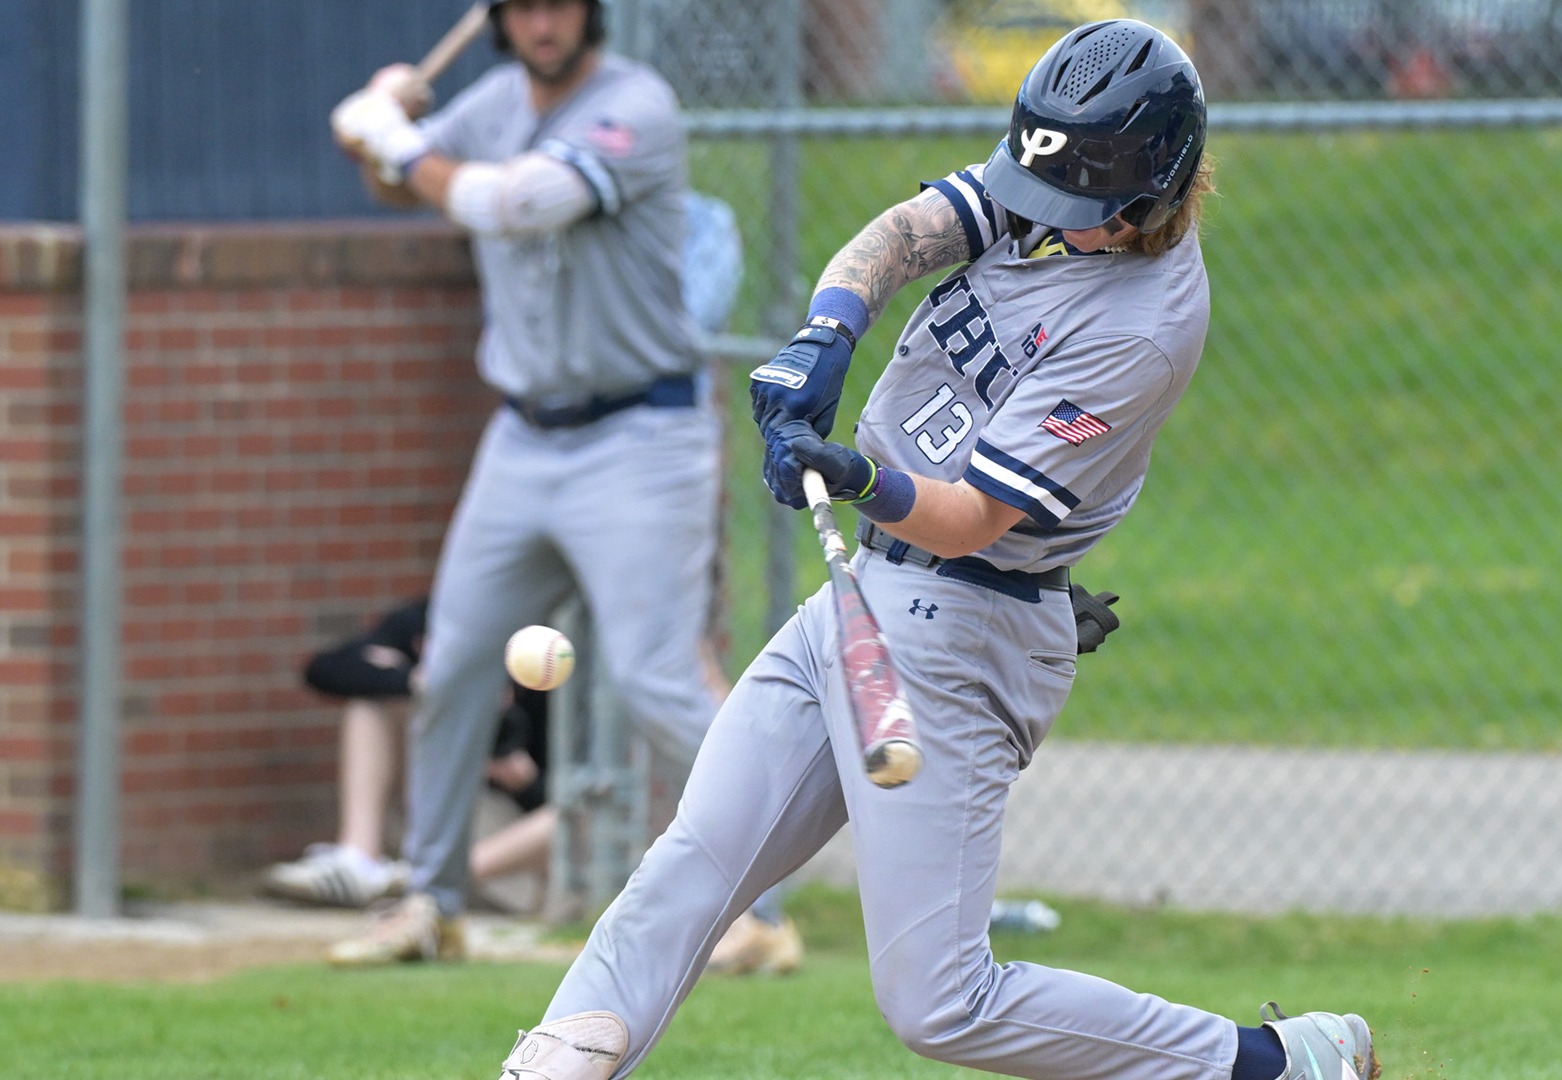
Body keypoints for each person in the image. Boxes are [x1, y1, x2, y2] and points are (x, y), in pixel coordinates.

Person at [491, 19, 1379, 1080]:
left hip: (963, 628)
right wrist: (828, 330)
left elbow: (968, 518)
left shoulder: (1142, 325)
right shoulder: (1062, 180)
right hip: (867, 593)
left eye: (1080, 211)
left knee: (940, 1002)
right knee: (694, 859)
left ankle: (1270, 1066)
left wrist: (856, 473)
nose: (1044, 220)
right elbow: (907, 232)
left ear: (1156, 190)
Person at [323, 0, 797, 969]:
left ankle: (762, 913)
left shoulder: (638, 107)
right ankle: (432, 903)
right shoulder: (493, 103)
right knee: (450, 664)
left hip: (641, 433)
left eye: (562, 5)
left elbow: (516, 203)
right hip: (522, 436)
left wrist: (392, 138)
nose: (545, 23)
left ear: (592, 16)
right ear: (501, 22)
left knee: (656, 680)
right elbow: (398, 187)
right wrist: (378, 122)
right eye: (526, 7)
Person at [262, 597, 558, 913]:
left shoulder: (548, 650)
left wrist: (523, 781)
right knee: (372, 702)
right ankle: (359, 861)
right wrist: (417, 681)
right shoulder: (438, 617)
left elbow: (573, 796)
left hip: (510, 845)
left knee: (588, 806)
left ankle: (428, 882)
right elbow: (323, 668)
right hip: (431, 809)